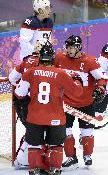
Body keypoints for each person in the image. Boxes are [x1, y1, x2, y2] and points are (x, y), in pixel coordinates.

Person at [14, 42, 84, 175]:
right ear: (52, 57)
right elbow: (77, 92)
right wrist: (77, 79)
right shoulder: (61, 73)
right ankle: (56, 169)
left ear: (40, 57)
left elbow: (19, 94)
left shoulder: (30, 72)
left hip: (35, 117)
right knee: (56, 145)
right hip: (56, 117)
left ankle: (33, 170)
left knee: (34, 145)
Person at [54, 35, 108, 170]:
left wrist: (100, 88)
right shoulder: (59, 58)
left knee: (87, 132)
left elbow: (102, 78)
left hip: (86, 104)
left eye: (71, 47)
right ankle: (71, 157)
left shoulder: (90, 61)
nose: (68, 49)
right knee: (65, 132)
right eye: (67, 46)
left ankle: (87, 155)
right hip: (66, 104)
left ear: (79, 47)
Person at [9, 39, 48, 171]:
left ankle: (24, 158)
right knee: (35, 131)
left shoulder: (26, 60)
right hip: (32, 104)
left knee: (33, 131)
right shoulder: (45, 63)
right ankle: (21, 159)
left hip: (21, 100)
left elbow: (11, 78)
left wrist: (21, 88)